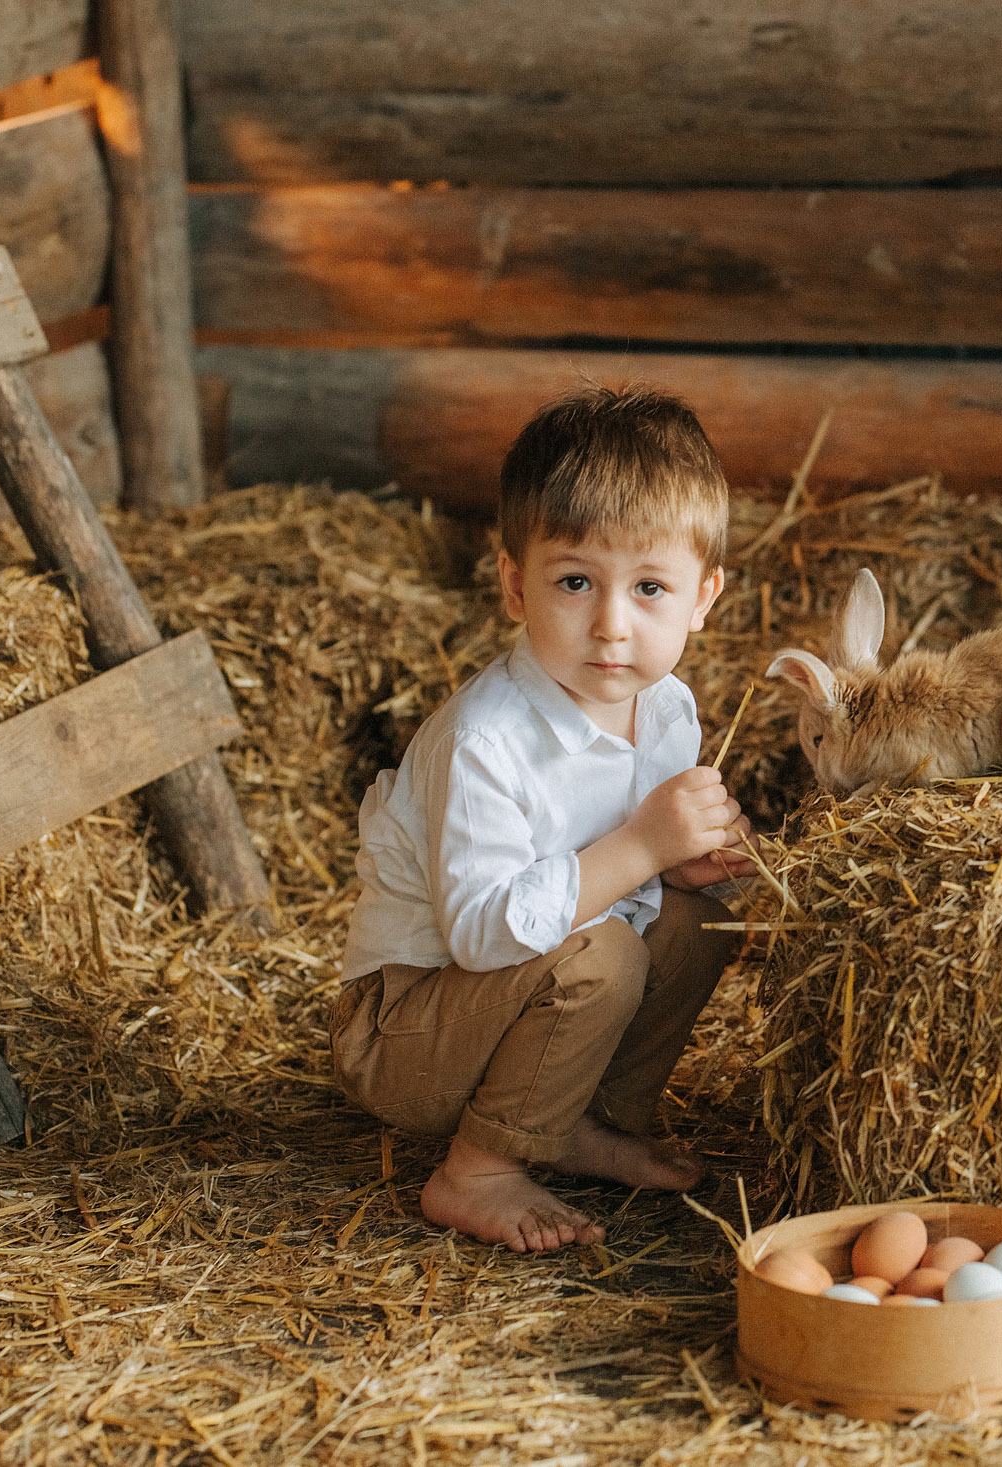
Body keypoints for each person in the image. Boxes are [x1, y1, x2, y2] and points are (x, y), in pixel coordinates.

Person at [332, 385, 753, 1252]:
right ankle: (477, 1171)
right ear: (515, 585)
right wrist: (642, 843)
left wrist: (680, 863)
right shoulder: (486, 739)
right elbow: (484, 932)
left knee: (700, 917)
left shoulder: (665, 708)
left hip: (513, 1010)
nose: (611, 625)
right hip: (404, 1030)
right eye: (575, 581)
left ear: (703, 597)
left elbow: (632, 880)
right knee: (604, 955)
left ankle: (587, 1121)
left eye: (650, 587)